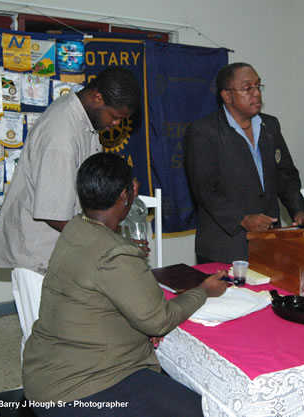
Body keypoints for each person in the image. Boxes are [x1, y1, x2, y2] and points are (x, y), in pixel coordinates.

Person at [22, 153, 228, 417]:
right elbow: (158, 321)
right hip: (81, 389)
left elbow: (98, 289)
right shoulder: (116, 254)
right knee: (202, 410)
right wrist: (204, 291)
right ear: (125, 195)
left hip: (47, 373)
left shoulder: (75, 229)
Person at [0, 67, 141, 353]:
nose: (116, 125)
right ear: (98, 97)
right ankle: (39, 398)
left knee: (61, 340)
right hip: (37, 251)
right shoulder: (61, 134)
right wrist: (108, 243)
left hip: (60, 247)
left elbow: (87, 178)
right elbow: (55, 213)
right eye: (116, 117)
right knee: (41, 343)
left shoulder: (84, 119)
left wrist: (120, 181)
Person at [184, 62, 304, 264]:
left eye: (258, 86)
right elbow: (204, 189)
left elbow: (285, 175)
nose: (256, 93)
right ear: (227, 96)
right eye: (248, 88)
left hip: (267, 242)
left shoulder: (270, 126)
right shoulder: (204, 131)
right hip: (224, 245)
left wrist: (298, 211)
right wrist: (242, 218)